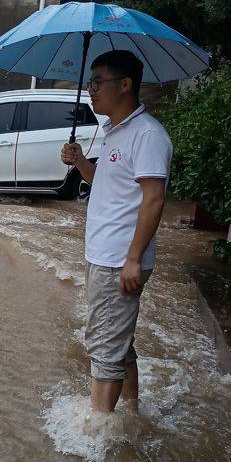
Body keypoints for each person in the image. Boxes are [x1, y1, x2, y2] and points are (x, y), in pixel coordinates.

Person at [61, 49, 173, 415]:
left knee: (105, 347)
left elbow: (154, 199)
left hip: (119, 261)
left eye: (98, 82)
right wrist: (80, 162)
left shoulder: (147, 135)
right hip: (105, 255)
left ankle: (98, 438)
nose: (91, 90)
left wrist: (133, 259)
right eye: (90, 82)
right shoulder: (115, 131)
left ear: (125, 85)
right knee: (118, 343)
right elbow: (106, 185)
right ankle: (131, 413)